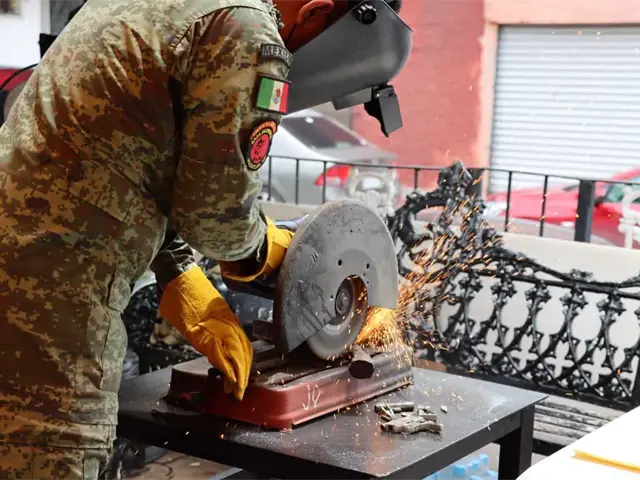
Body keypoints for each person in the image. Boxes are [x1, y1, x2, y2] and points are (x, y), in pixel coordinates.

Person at [0, 0, 405, 478]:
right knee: (48, 451)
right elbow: (216, 220)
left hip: (27, 260)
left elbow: (130, 155)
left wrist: (177, 270)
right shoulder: (246, 27)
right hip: (52, 297)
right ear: (315, 13)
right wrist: (266, 251)